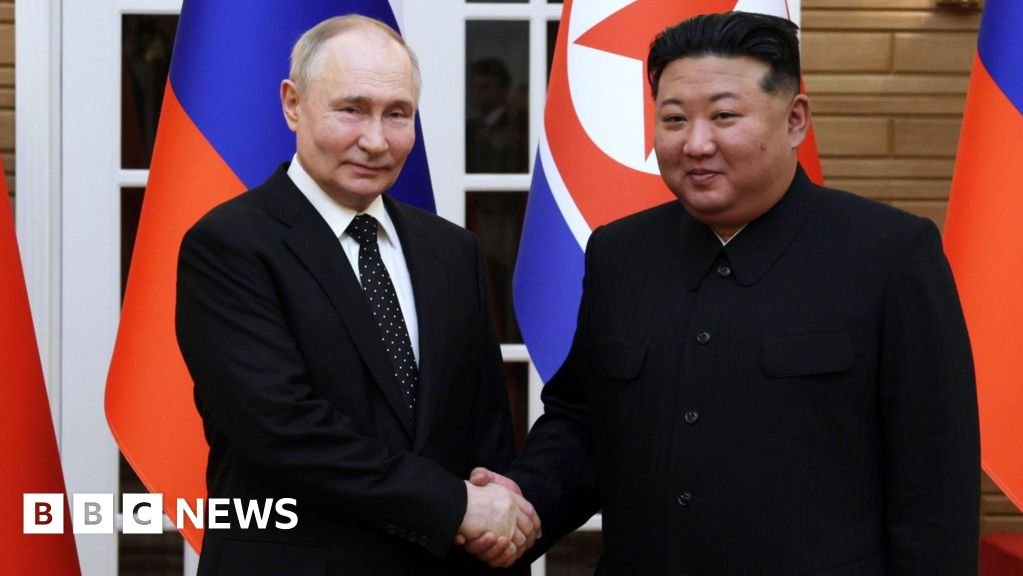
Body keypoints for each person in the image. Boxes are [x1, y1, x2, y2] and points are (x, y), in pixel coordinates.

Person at [469, 11, 980, 574]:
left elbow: (935, 479)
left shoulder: (889, 254)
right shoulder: (620, 252)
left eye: (724, 116)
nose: (695, 143)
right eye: (673, 119)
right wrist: (521, 501)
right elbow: (584, 423)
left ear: (795, 120)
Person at [175, 15, 537, 575]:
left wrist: (499, 516)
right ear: (293, 104)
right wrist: (455, 505)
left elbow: (485, 429)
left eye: (397, 114)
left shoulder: (452, 251)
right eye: (351, 109)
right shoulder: (229, 246)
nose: (375, 140)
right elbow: (282, 431)